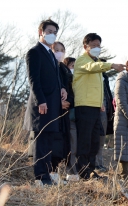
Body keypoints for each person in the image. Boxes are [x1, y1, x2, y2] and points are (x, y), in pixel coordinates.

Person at [72, 33, 125, 180]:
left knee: (95, 141)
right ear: (85, 47)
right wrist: (112, 65)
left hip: (95, 107)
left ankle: (90, 169)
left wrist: (100, 102)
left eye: (98, 46)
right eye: (93, 46)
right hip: (84, 106)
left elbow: (96, 86)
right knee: (85, 141)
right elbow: (92, 67)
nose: (97, 48)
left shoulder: (95, 64)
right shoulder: (83, 61)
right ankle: (82, 172)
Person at [23, 19, 67, 186]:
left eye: (54, 32)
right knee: (41, 141)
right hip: (41, 105)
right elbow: (34, 80)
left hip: (53, 105)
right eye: (49, 31)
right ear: (40, 32)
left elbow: (55, 78)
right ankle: (40, 177)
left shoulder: (50, 53)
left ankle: (48, 174)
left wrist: (62, 88)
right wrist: (41, 101)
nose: (52, 35)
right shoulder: (34, 52)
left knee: (49, 141)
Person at [51, 42, 79, 182]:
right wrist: (58, 102)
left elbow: (70, 89)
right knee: (52, 142)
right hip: (52, 110)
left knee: (63, 143)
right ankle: (50, 173)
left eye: (62, 50)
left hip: (66, 110)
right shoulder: (50, 67)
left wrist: (69, 102)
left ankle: (58, 172)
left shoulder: (64, 69)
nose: (60, 52)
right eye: (56, 50)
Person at [95, 59, 114, 173]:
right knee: (95, 139)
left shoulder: (104, 77)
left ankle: (100, 163)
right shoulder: (92, 77)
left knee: (101, 140)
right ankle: (95, 164)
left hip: (105, 112)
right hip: (96, 111)